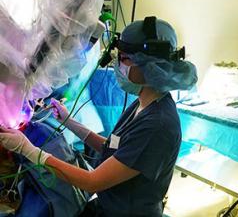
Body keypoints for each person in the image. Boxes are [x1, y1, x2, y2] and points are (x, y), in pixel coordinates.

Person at [0, 16, 197, 217]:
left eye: (124, 59)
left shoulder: (158, 125)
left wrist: (29, 150)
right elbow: (115, 150)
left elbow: (91, 181)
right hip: (107, 206)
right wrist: (70, 122)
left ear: (148, 65)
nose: (117, 66)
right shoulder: (143, 103)